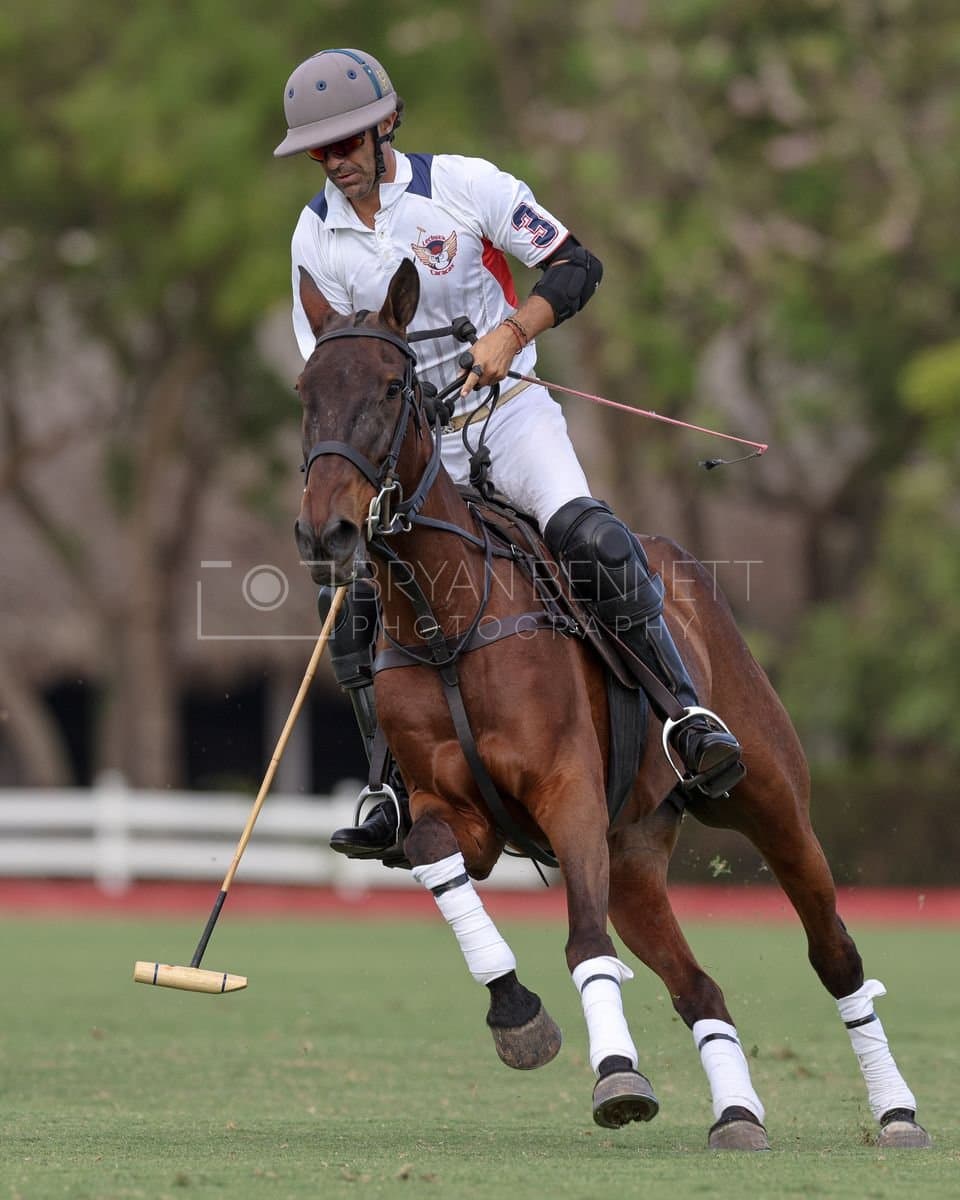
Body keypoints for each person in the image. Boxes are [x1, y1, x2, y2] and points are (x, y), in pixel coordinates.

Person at [274, 48, 744, 861]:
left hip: (508, 416)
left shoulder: (468, 185)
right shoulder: (314, 235)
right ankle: (391, 783)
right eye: (319, 152)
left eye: (347, 143)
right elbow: (332, 365)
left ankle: (685, 716)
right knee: (346, 604)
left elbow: (576, 265)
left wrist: (513, 331)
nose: (336, 163)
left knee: (589, 537)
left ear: (388, 124)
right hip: (414, 456)